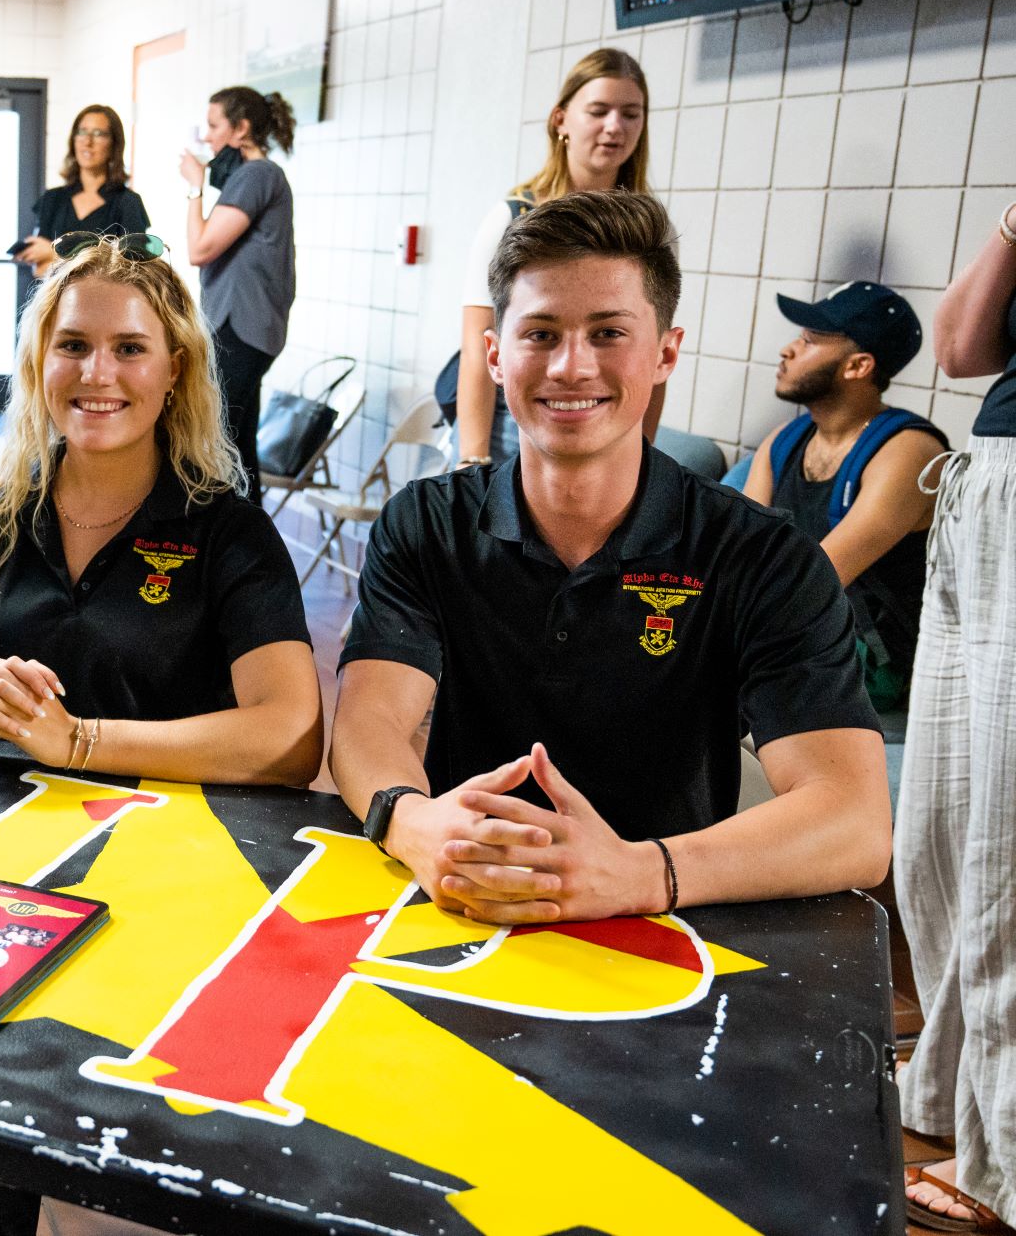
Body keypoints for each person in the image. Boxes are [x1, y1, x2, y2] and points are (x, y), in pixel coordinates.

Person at [0, 231, 323, 1236]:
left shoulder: (222, 529)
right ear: (40, 363)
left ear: (175, 373)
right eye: (73, 345)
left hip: (146, 877)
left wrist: (80, 742)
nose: (98, 372)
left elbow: (290, 732)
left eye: (129, 348)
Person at [331, 190, 889, 934]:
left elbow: (854, 822)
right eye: (541, 333)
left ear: (665, 352)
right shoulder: (428, 523)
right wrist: (412, 823)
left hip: (665, 916)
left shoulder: (762, 556)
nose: (571, 365)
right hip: (462, 900)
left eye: (607, 332)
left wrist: (638, 871)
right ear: (495, 356)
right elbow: (369, 721)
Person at [895, 199, 1016, 1234]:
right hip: (992, 484)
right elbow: (966, 347)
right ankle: (946, 1084)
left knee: (1006, 853)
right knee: (935, 829)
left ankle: (1006, 1158)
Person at [740, 281, 946, 712]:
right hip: (794, 642)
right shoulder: (783, 442)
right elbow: (740, 555)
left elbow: (816, 582)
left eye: (810, 340)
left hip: (871, 665)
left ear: (858, 366)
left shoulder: (908, 452)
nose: (787, 350)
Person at [455, 48, 664, 469]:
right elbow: (478, 350)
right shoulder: (509, 219)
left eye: (630, 114)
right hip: (514, 424)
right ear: (561, 119)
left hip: (606, 427)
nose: (614, 127)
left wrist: (642, 462)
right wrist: (472, 460)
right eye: (599, 111)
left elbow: (650, 355)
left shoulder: (649, 230)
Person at [178, 85, 297, 503]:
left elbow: (201, 248)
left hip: (241, 326)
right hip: (241, 325)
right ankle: (249, 553)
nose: (208, 137)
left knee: (214, 441)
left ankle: (222, 550)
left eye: (214, 126)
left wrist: (195, 186)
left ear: (241, 128)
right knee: (238, 449)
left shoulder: (258, 174)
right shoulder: (253, 177)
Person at [13, 104, 148, 278]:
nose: (88, 141)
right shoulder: (53, 199)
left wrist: (55, 254)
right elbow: (40, 269)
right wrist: (95, 264)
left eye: (99, 134)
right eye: (82, 132)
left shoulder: (128, 202)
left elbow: (131, 270)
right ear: (73, 139)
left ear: (114, 143)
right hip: (54, 303)